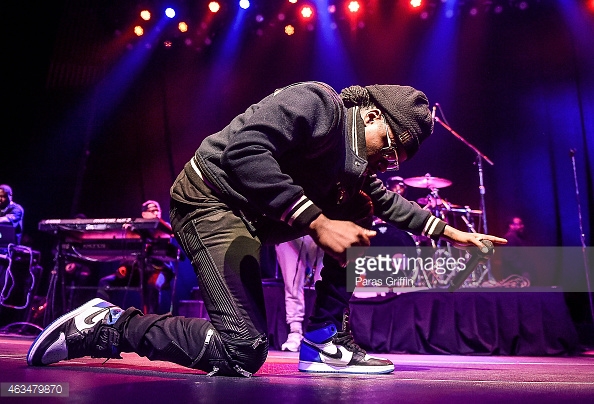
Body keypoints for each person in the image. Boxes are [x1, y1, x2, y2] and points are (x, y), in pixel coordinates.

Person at [28, 82, 506, 376]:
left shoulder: (355, 165)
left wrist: (451, 234)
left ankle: (322, 338)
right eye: (390, 145)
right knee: (242, 349)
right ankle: (109, 326)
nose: (387, 159)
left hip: (254, 218)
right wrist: (317, 222)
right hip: (209, 200)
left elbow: (385, 199)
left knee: (361, 210)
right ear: (373, 114)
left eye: (397, 158)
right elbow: (245, 152)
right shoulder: (317, 103)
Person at [96, 200, 174, 314]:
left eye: (158, 210)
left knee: (152, 286)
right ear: (144, 214)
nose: (156, 213)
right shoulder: (134, 228)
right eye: (152, 210)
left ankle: (151, 320)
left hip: (159, 270)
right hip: (137, 270)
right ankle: (102, 315)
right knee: (105, 282)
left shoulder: (165, 228)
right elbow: (129, 251)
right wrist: (123, 265)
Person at [275, 235, 323, 352]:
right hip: (289, 232)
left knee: (325, 283)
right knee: (292, 283)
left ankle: (324, 330)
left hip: (326, 230)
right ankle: (295, 331)